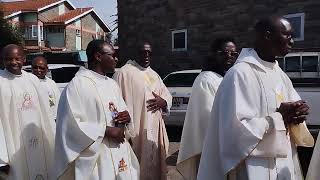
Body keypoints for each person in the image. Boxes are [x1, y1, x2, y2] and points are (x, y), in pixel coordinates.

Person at [197, 16, 314, 180]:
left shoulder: (280, 74)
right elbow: (232, 132)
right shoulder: (239, 74)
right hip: (253, 165)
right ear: (267, 36)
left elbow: (291, 110)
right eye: (287, 35)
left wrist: (297, 114)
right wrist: (277, 118)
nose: (292, 41)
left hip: (284, 160)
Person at [54, 39, 139, 180]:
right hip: (98, 157)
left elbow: (121, 111)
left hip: (119, 150)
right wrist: (106, 130)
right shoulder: (77, 85)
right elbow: (69, 125)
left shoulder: (112, 84)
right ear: (98, 56)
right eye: (112, 55)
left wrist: (125, 120)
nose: (116, 58)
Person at [176, 36, 238, 180]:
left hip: (231, 147)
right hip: (212, 150)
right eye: (224, 53)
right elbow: (208, 121)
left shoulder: (228, 78)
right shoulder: (206, 80)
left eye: (234, 54)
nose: (229, 56)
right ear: (213, 54)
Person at [113, 41, 172, 180]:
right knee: (136, 167)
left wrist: (163, 102)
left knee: (155, 168)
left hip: (154, 131)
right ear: (135, 54)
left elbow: (167, 95)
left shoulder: (155, 75)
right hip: (136, 131)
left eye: (149, 53)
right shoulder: (124, 73)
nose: (146, 55)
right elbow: (114, 101)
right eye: (143, 52)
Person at [0, 44, 55, 180]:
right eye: (8, 59)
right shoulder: (1, 81)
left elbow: (46, 113)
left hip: (39, 142)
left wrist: (52, 139)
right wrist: (2, 157)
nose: (13, 62)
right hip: (13, 145)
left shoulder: (33, 80)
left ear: (24, 59)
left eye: (17, 58)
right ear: (2, 60)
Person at [32, 56, 60, 121]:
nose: (38, 70)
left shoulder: (51, 83)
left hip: (52, 118)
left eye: (41, 68)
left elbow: (57, 101)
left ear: (47, 69)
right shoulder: (28, 82)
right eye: (35, 67)